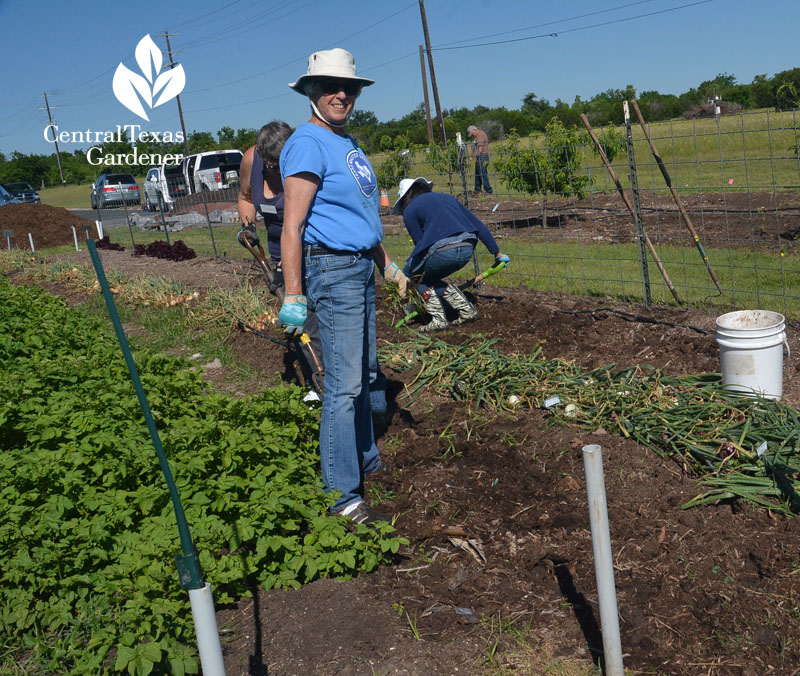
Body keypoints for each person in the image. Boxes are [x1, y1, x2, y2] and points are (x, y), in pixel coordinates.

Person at [278, 48, 409, 525]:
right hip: (332, 271)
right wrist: (294, 291)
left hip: (359, 268)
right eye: (330, 86)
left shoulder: (346, 142)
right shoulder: (308, 143)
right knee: (344, 384)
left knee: (367, 372)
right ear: (311, 92)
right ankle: (342, 495)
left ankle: (365, 457)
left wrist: (389, 266)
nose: (341, 94)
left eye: (349, 87)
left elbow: (361, 218)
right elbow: (292, 226)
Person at [238, 121, 389, 416]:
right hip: (281, 256)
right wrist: (247, 227)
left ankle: (353, 389)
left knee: (330, 323)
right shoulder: (251, 160)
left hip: (320, 253)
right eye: (272, 165)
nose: (278, 171)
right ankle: (319, 384)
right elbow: (245, 197)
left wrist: (387, 264)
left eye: (282, 164)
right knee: (302, 326)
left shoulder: (306, 156)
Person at [393, 176, 510, 332]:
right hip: (467, 248)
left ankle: (438, 319)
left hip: (442, 251)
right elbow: (478, 225)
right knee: (430, 279)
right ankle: (466, 311)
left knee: (417, 278)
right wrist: (497, 253)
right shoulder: (446, 197)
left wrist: (406, 275)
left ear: (405, 198)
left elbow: (420, 244)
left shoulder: (409, 210)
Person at [467, 125, 493, 194]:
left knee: (482, 174)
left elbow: (480, 149)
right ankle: (477, 190)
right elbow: (475, 149)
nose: (472, 135)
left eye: (472, 134)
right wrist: (472, 156)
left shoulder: (481, 135)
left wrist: (472, 157)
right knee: (478, 174)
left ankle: (488, 191)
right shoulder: (476, 137)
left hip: (483, 157)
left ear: (474, 130)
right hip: (479, 158)